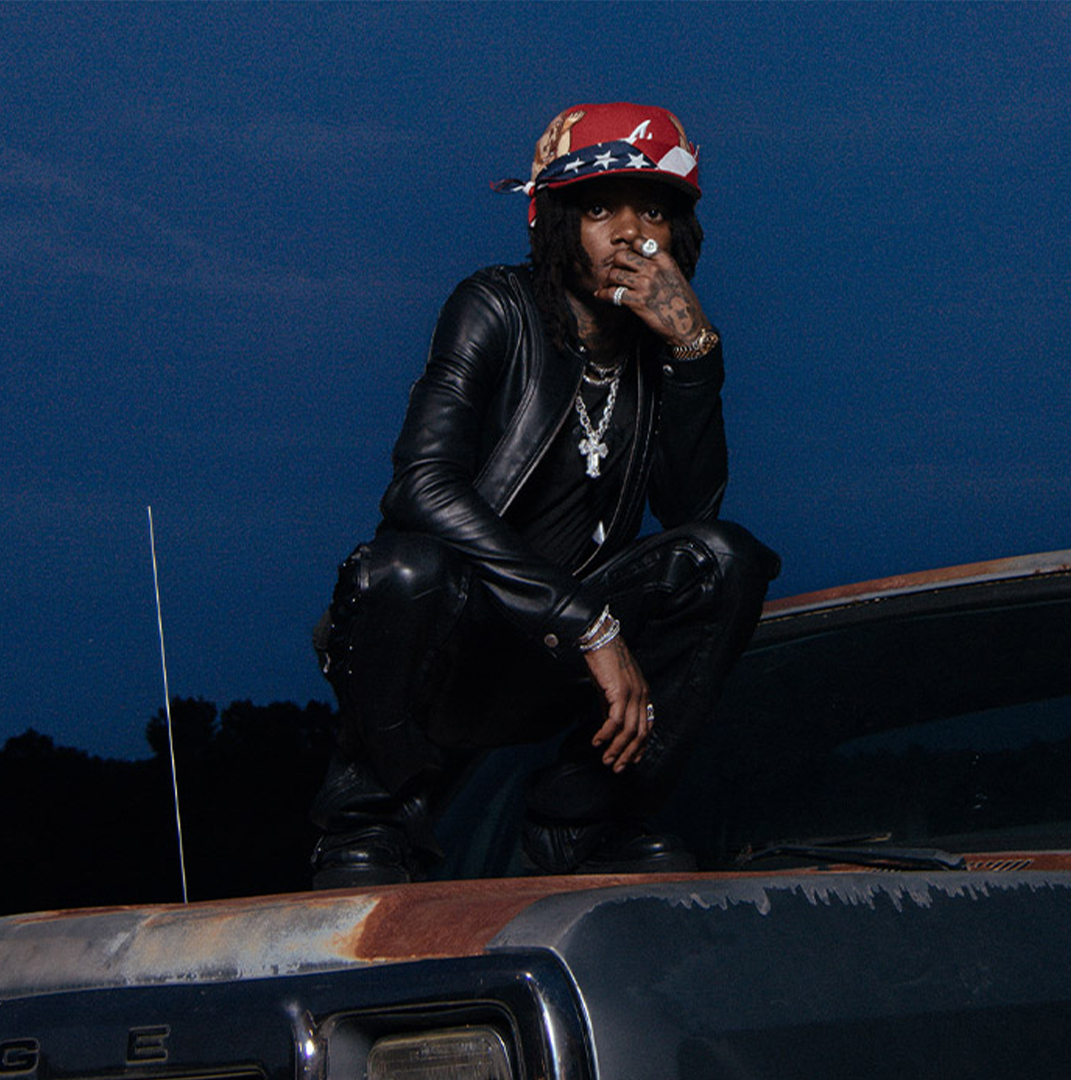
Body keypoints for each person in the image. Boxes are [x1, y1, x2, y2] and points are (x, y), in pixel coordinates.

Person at [309, 102, 779, 888]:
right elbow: (419, 485)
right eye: (599, 208)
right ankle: (368, 824)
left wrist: (695, 354)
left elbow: (691, 518)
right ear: (553, 219)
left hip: (565, 665)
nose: (631, 233)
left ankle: (580, 822)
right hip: (465, 636)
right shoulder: (494, 306)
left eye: (654, 210)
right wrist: (585, 622)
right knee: (401, 568)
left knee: (726, 561)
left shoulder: (657, 348)